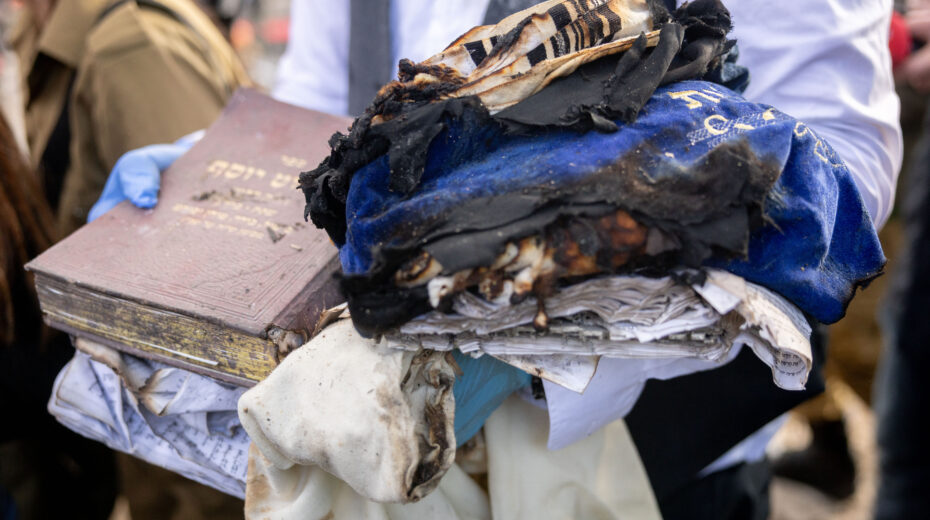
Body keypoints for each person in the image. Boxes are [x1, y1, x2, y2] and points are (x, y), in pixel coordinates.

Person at [95, 0, 902, 518]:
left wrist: (543, 338)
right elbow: (326, 98)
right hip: (379, 456)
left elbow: (843, 166)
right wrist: (222, 179)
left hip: (656, 465)